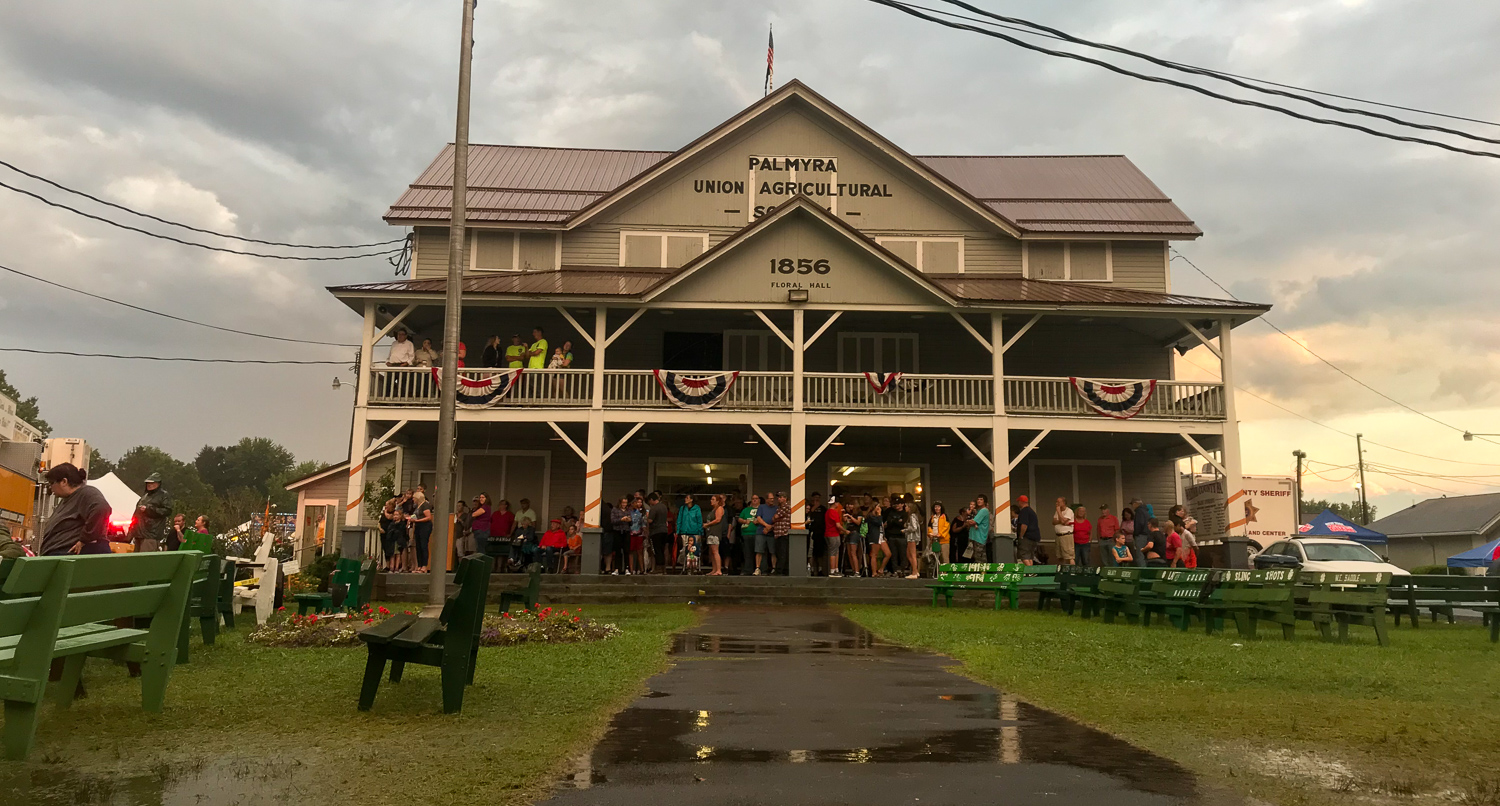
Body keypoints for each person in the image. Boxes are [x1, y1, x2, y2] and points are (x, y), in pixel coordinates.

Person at [40, 464, 111, 555]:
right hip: (62, 554)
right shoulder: (70, 498)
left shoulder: (87, 493)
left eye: (52, 483)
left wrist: (84, 540)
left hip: (73, 556)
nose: (50, 487)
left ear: (64, 481)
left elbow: (101, 508)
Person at [127, 472, 173, 553]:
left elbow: (167, 511)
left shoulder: (163, 495)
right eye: (148, 483)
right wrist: (132, 530)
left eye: (152, 483)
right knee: (136, 560)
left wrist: (149, 509)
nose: (149, 485)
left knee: (145, 560)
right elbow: (136, 515)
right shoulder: (145, 496)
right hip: (139, 533)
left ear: (158, 483)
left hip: (152, 534)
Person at [676, 494, 704, 573]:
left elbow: (699, 520)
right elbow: (679, 520)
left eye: (687, 498)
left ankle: (695, 567)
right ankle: (686, 566)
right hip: (684, 532)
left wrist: (700, 531)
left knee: (695, 550)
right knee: (685, 550)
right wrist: (678, 531)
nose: (685, 499)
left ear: (691, 499)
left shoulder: (696, 508)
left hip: (695, 532)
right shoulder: (682, 508)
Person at [645, 492, 671, 574]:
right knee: (662, 549)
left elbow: (650, 520)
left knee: (657, 550)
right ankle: (664, 568)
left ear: (652, 500)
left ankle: (658, 567)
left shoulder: (654, 508)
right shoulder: (664, 507)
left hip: (656, 531)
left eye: (649, 501)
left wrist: (647, 517)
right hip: (664, 530)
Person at [753, 492, 777, 575]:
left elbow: (779, 520)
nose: (772, 500)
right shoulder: (761, 507)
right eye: (770, 499)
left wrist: (770, 527)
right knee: (759, 550)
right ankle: (757, 568)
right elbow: (758, 518)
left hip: (772, 532)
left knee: (773, 551)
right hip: (761, 531)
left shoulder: (776, 508)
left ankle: (774, 568)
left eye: (773, 499)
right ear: (766, 499)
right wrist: (766, 525)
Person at [409, 491, 434, 573]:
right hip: (418, 526)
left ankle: (424, 566)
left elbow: (428, 517)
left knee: (423, 545)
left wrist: (418, 520)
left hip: (425, 527)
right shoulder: (417, 506)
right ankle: (419, 566)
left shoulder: (425, 505)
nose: (413, 499)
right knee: (418, 546)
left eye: (414, 498)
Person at [865, 498, 890, 577]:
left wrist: (884, 536)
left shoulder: (878, 516)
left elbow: (881, 526)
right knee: (874, 554)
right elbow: (879, 523)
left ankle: (881, 569)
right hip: (874, 536)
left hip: (881, 536)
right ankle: (874, 572)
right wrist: (879, 514)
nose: (879, 509)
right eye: (878, 507)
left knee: (888, 554)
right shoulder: (871, 516)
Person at [702, 494, 725, 576]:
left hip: (715, 532)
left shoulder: (719, 508)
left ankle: (718, 570)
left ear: (718, 501)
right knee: (712, 552)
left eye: (713, 499)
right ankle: (714, 569)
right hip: (710, 532)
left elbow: (718, 519)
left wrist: (707, 524)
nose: (711, 501)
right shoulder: (713, 510)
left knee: (715, 551)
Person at [1013, 495, 1040, 565]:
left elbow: (1024, 525)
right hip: (1034, 537)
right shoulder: (1032, 511)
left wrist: (1021, 536)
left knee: (1024, 556)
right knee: (1030, 557)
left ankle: (1029, 570)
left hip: (1026, 537)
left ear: (1021, 502)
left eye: (1019, 501)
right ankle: (1031, 572)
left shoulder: (1024, 512)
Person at [739, 494, 761, 575]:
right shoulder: (746, 510)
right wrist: (745, 521)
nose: (754, 500)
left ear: (759, 500)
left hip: (758, 534)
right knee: (747, 553)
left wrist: (759, 521)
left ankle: (759, 569)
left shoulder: (762, 509)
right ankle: (748, 570)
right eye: (753, 499)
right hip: (746, 533)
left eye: (756, 498)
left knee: (759, 552)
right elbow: (739, 519)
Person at [824, 497, 846, 577]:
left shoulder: (827, 512)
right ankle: (832, 570)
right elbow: (838, 525)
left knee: (835, 551)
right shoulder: (833, 512)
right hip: (833, 534)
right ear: (835, 503)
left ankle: (836, 569)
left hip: (830, 533)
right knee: (834, 551)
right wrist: (845, 530)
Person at [883, 497, 905, 576]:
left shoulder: (905, 513)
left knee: (903, 554)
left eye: (898, 504)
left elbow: (903, 524)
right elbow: (888, 522)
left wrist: (894, 521)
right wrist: (897, 521)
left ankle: (902, 570)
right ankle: (895, 570)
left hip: (901, 536)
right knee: (893, 555)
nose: (896, 506)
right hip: (892, 536)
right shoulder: (891, 512)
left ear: (902, 504)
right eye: (895, 504)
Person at [806, 492, 827, 576]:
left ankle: (820, 569)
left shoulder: (823, 509)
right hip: (810, 533)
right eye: (814, 498)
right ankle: (811, 569)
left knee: (819, 553)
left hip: (820, 534)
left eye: (818, 498)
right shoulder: (809, 507)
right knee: (811, 552)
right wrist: (813, 508)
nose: (816, 500)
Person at [1052, 496, 1076, 566]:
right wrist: (1060, 519)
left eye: (1058, 502)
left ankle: (1072, 571)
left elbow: (1063, 521)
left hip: (1066, 535)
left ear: (1064, 503)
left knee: (1069, 556)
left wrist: (1059, 512)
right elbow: (1053, 522)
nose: (1057, 503)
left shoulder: (1069, 511)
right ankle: (1062, 570)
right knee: (1060, 556)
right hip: (1058, 536)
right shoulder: (1056, 511)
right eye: (1056, 502)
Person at [772, 492, 791, 576]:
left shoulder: (786, 507)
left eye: (780, 497)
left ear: (785, 498)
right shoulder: (779, 508)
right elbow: (774, 518)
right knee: (779, 552)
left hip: (783, 532)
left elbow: (775, 517)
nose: (778, 499)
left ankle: (780, 570)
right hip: (778, 533)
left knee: (782, 553)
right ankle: (781, 569)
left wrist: (775, 518)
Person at [903, 501, 923, 579]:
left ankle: (914, 572)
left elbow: (914, 527)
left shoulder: (912, 516)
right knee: (908, 554)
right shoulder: (913, 516)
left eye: (906, 506)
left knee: (913, 555)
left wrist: (905, 530)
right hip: (910, 537)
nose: (905, 508)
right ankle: (915, 570)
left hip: (912, 537)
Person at [516, 498, 538, 565]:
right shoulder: (519, 529)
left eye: (524, 503)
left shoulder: (530, 529)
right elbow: (517, 536)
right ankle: (513, 559)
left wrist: (523, 537)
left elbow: (530, 537)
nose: (523, 525)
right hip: (520, 542)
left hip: (528, 543)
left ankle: (522, 561)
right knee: (514, 546)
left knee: (525, 547)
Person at [971, 494, 993, 562]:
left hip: (979, 537)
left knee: (979, 556)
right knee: (979, 556)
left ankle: (981, 571)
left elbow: (973, 522)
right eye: (978, 499)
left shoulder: (983, 510)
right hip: (976, 536)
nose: (979, 501)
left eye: (981, 499)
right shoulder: (977, 511)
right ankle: (982, 571)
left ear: (985, 502)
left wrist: (968, 522)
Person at [629, 496, 648, 575]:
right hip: (631, 533)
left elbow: (644, 523)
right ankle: (631, 569)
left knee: (640, 551)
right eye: (636, 502)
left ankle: (642, 569)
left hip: (640, 534)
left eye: (640, 502)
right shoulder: (629, 512)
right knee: (631, 551)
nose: (638, 504)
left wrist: (646, 533)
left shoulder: (642, 512)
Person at [471, 493, 493, 560]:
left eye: (483, 497)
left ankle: (482, 564)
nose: (481, 499)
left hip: (482, 530)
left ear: (487, 499)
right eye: (480, 497)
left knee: (481, 549)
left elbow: (474, 514)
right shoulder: (484, 507)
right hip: (480, 530)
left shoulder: (485, 507)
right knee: (479, 548)